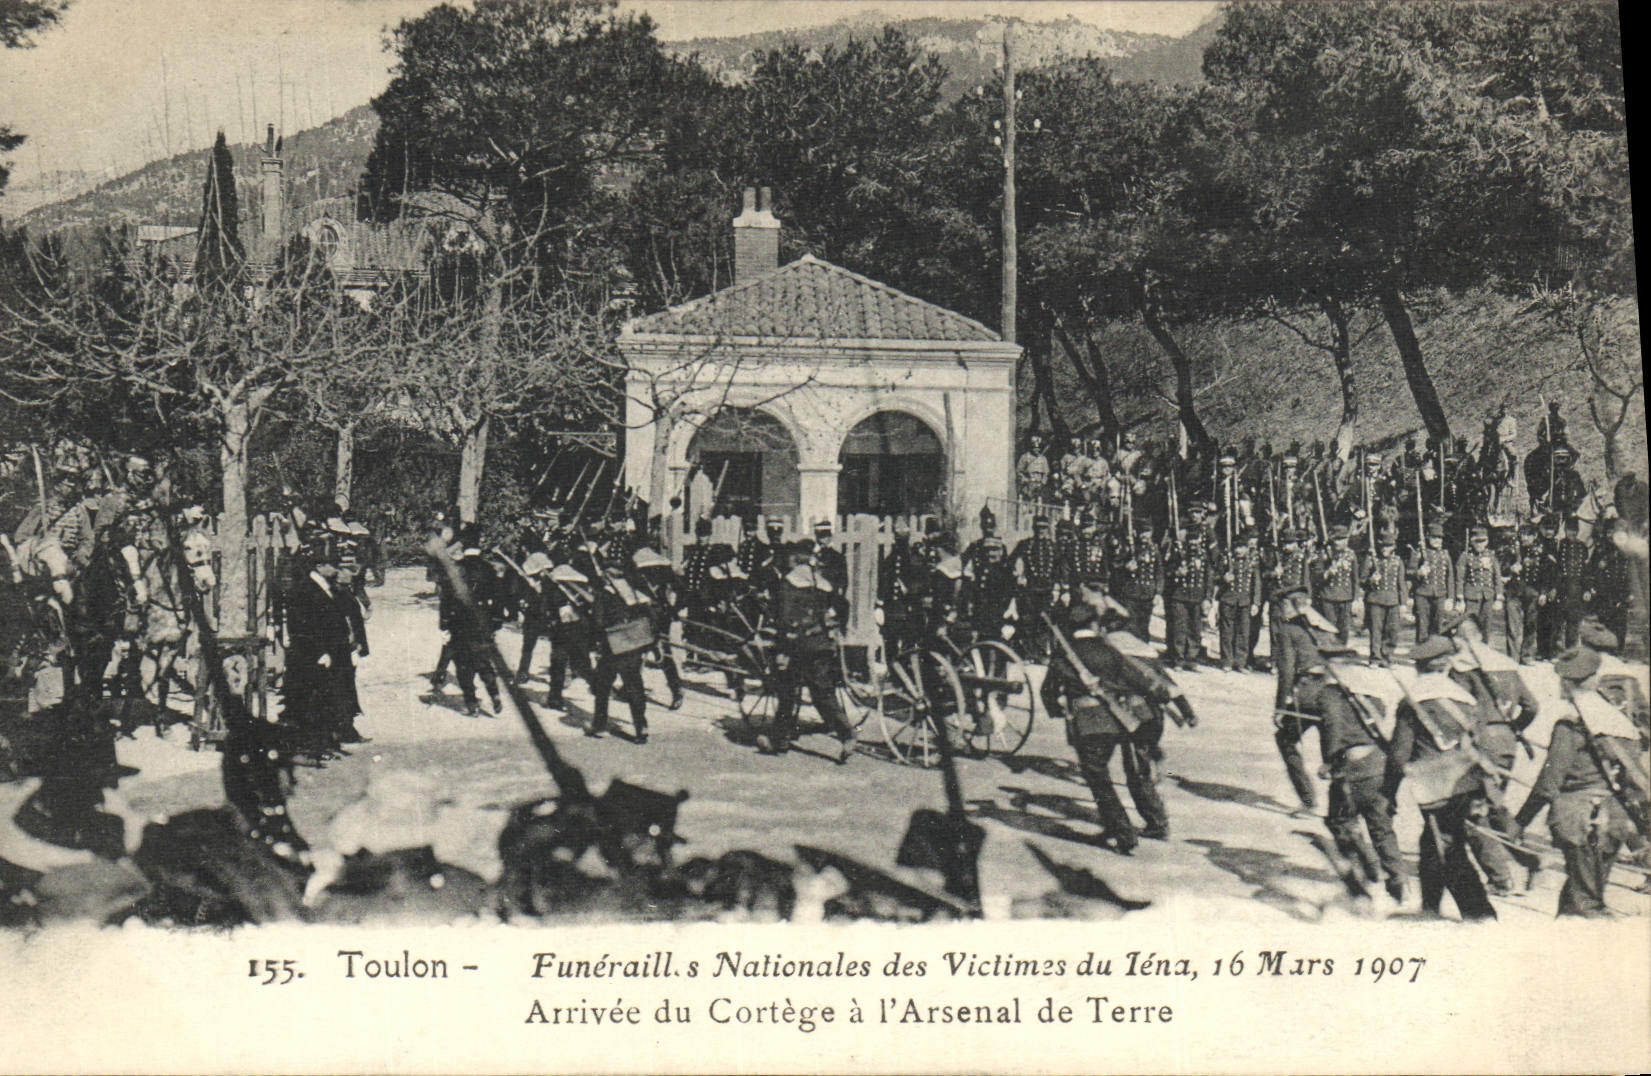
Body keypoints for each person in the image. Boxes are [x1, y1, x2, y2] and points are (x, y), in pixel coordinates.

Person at [1040, 580, 1197, 853]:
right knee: (1132, 770)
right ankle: (1143, 823)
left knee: (1105, 778)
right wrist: (1179, 708)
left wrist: (1057, 710)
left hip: (1094, 722)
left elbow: (1048, 691)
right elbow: (1143, 678)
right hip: (1123, 719)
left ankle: (1129, 831)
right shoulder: (1111, 649)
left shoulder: (1069, 653)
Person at [1514, 646, 1646, 916]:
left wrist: (1519, 822)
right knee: (1578, 899)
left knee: (1585, 905)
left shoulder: (1571, 723)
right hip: (1615, 821)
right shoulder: (1620, 722)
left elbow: (1548, 783)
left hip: (1580, 821)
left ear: (1565, 682)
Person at [1388, 635, 1497, 921]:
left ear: (1418, 667)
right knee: (1431, 842)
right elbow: (1482, 743)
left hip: (1434, 786)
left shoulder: (1413, 701)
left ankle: (1480, 913)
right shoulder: (1466, 699)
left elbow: (1399, 755)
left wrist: (1388, 792)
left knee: (1446, 847)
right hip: (1468, 781)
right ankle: (1430, 906)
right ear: (1447, 666)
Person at [1442, 611, 1541, 895]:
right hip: (1506, 744)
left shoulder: (1462, 668)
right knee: (1494, 807)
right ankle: (1530, 859)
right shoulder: (1505, 663)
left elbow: (1458, 712)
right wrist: (1513, 728)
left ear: (1459, 640)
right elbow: (1532, 706)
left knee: (1474, 813)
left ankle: (1501, 878)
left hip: (1480, 747)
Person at [1311, 664, 1408, 902]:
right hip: (1379, 764)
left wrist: (1330, 762)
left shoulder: (1330, 694)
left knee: (1339, 821)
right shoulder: (1370, 693)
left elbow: (1333, 727)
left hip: (1352, 767)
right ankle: (1399, 884)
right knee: (1382, 827)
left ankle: (1366, 874)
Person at [761, 542, 855, 763]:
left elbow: (784, 619)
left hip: (796, 646)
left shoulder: (788, 583)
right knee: (823, 693)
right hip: (820, 644)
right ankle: (847, 735)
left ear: (795, 559)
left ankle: (780, 740)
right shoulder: (820, 582)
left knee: (787, 693)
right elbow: (842, 606)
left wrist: (781, 649)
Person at [282, 544, 360, 759]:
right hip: (313, 655)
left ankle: (328, 743)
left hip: (332, 653)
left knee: (329, 699)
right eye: (332, 565)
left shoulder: (326, 587)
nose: (336, 569)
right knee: (314, 701)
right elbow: (302, 626)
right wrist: (318, 652)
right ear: (319, 566)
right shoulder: (304, 590)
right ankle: (314, 747)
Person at [586, 552, 654, 743]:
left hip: (613, 646)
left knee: (602, 686)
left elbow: (598, 622)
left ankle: (599, 725)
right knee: (635, 685)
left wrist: (594, 642)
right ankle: (641, 727)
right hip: (634, 643)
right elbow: (647, 613)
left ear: (607, 575)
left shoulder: (603, 594)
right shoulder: (632, 591)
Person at [1273, 584, 1327, 814]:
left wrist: (1280, 708)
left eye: (1284, 604)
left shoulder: (1287, 630)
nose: (1281, 609)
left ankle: (1308, 799)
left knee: (1285, 739)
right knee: (1333, 751)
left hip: (1307, 694)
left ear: (1292, 605)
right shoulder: (1323, 625)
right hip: (1332, 692)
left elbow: (1286, 670)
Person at [439, 524, 504, 718]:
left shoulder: (456, 569)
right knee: (483, 660)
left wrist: (444, 623)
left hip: (459, 621)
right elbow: (498, 596)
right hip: (483, 620)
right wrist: (496, 620)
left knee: (463, 664)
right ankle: (494, 693)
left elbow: (446, 598)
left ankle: (472, 702)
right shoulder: (488, 569)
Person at [1011, 515, 1060, 659]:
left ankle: (1042, 653)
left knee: (1045, 622)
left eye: (1044, 528)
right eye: (1038, 528)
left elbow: (1059, 567)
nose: (1041, 531)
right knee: (1028, 621)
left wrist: (1057, 585)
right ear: (1033, 528)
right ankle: (1028, 653)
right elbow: (1011, 561)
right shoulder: (1025, 544)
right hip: (1030, 589)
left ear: (1048, 528)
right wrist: (1018, 575)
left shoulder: (1053, 547)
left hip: (1047, 590)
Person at [1215, 527, 1263, 672]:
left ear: (1247, 548)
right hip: (1228, 600)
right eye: (1236, 547)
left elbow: (1257, 583)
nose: (1239, 550)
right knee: (1227, 632)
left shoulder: (1252, 562)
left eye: (1242, 547)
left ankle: (1240, 662)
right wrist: (1224, 578)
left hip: (1245, 602)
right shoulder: (1227, 560)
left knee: (1243, 632)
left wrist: (1256, 603)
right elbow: (1215, 577)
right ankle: (1227, 661)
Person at [1110, 517, 1161, 646]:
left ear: (1151, 533)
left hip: (1147, 593)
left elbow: (1159, 573)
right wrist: (1126, 566)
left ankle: (1143, 648)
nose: (1144, 535)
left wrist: (1158, 593)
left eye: (1147, 532)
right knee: (1131, 624)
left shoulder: (1154, 550)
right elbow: (1115, 565)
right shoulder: (1130, 548)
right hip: (1131, 592)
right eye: (1142, 532)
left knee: (1144, 624)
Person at [1362, 525, 1408, 667]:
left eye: (1388, 546)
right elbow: (1362, 580)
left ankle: (1387, 656)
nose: (1385, 549)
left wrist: (1403, 603)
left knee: (1392, 631)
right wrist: (1371, 580)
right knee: (1376, 630)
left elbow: (1401, 583)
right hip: (1375, 599)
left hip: (1393, 600)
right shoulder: (1372, 560)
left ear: (1393, 547)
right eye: (1382, 546)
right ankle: (1375, 658)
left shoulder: (1397, 561)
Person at [1454, 526, 1503, 651]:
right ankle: (1469, 652)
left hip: (1487, 596)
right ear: (1472, 541)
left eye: (1482, 541)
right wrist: (1460, 598)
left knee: (1486, 626)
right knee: (1470, 626)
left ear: (1487, 541)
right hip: (1471, 596)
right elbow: (1460, 578)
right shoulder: (1465, 556)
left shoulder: (1491, 556)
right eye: (1477, 541)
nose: (1480, 544)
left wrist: (1499, 596)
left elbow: (1497, 576)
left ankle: (1485, 651)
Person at [1314, 524, 1357, 647]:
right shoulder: (1324, 554)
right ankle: (1331, 650)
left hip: (1345, 596)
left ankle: (1342, 648)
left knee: (1344, 627)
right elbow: (1316, 575)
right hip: (1328, 595)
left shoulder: (1350, 555)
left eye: (1342, 539)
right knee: (1329, 625)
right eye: (1337, 539)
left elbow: (1355, 578)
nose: (1339, 542)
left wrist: (1355, 598)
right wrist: (1327, 573)